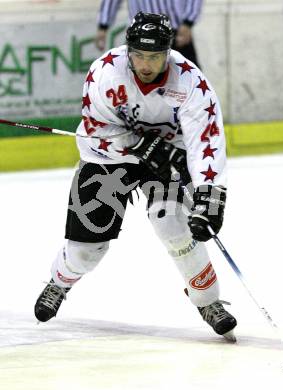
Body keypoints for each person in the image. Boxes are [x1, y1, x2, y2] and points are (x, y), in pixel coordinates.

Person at [34, 12, 237, 340]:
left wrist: (211, 195)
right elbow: (96, 129)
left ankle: (207, 301)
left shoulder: (190, 83)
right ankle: (59, 283)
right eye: (139, 55)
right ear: (128, 50)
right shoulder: (104, 72)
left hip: (168, 156)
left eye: (154, 57)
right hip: (110, 157)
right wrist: (140, 144)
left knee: (173, 225)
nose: (145, 65)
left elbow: (206, 142)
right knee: (88, 246)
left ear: (167, 53)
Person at [96, 0, 202, 67]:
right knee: (129, 78)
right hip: (140, 33)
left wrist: (188, 22)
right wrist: (103, 26)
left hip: (176, 31)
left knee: (189, 78)